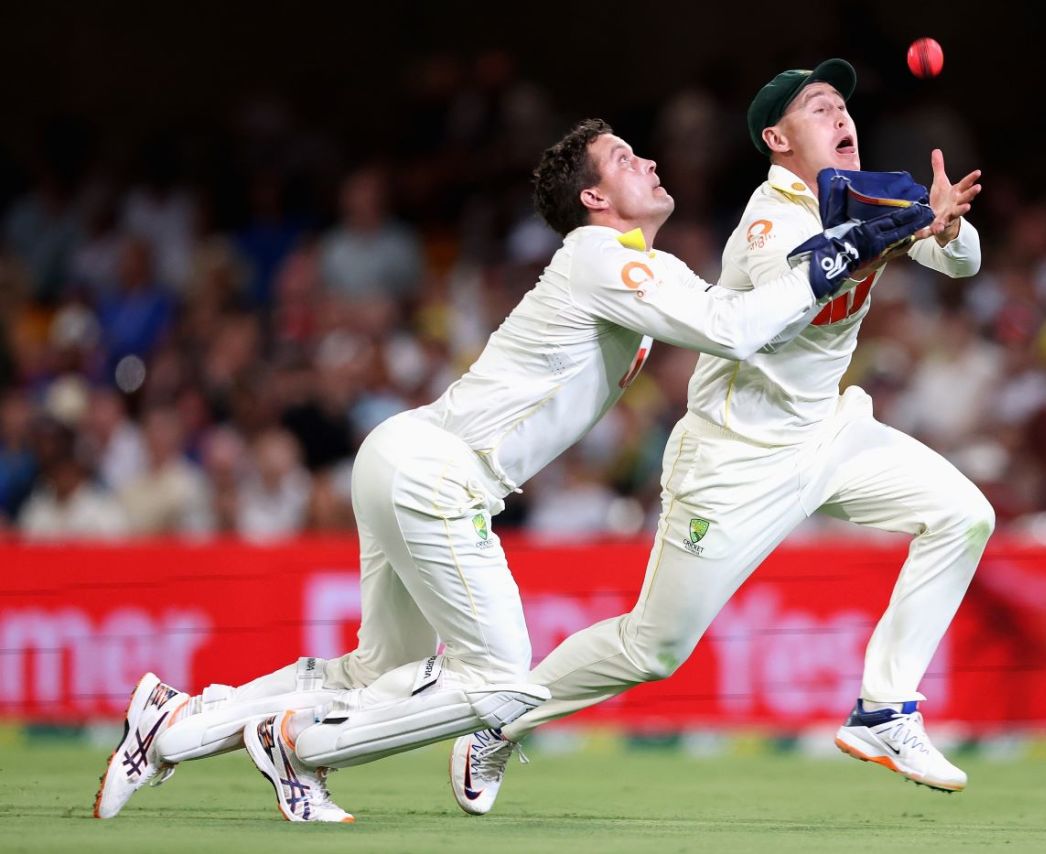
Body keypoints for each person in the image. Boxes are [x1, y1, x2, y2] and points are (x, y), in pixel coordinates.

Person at [95, 117, 925, 822]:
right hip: (436, 473)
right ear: (595, 199)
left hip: (405, 454)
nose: (653, 163)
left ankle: (175, 722)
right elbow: (736, 328)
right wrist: (846, 246)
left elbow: (742, 317)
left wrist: (849, 253)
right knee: (498, 687)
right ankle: (299, 742)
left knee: (376, 669)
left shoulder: (637, 266)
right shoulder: (600, 254)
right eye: (629, 160)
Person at [451, 58, 988, 814]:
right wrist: (895, 227)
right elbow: (802, 284)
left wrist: (947, 226)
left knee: (964, 514)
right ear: (777, 137)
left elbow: (960, 264)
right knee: (652, 648)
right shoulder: (770, 223)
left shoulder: (867, 196)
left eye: (843, 106)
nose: (842, 118)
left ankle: (884, 709)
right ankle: (497, 718)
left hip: (826, 432)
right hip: (735, 459)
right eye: (820, 108)